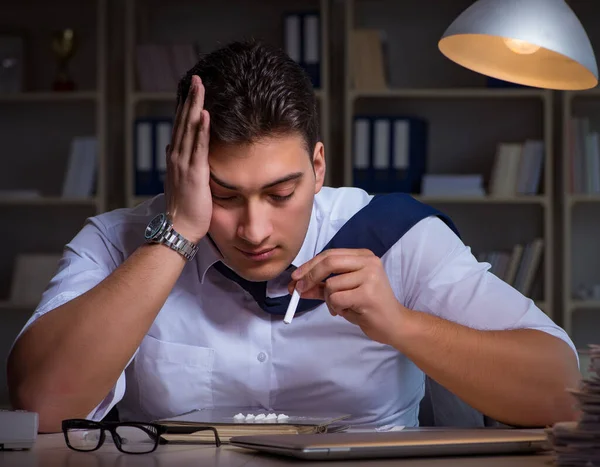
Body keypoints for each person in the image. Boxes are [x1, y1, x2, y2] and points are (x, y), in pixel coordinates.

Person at [8, 40, 580, 434]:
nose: (255, 231)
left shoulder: (397, 236)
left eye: (281, 194)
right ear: (182, 173)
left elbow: (561, 393)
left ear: (319, 167)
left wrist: (401, 324)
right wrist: (179, 231)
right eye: (224, 196)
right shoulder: (117, 242)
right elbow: (41, 407)